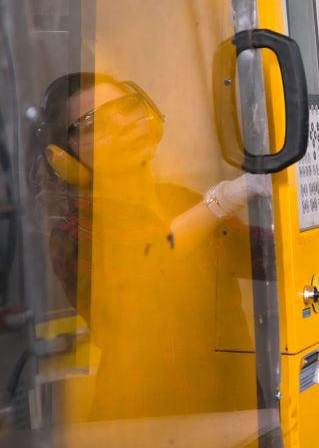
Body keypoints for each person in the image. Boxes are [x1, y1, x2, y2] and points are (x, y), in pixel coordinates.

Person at [32, 72, 270, 419]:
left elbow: (267, 258)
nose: (125, 125)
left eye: (127, 108)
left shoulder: (182, 201)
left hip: (231, 407)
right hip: (146, 419)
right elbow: (147, 261)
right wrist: (219, 201)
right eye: (95, 123)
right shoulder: (74, 233)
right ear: (64, 158)